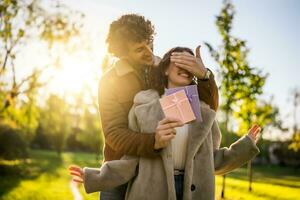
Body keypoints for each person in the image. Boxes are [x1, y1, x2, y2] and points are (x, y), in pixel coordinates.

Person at [69, 47, 261, 200]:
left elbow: (213, 161)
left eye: (190, 63)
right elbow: (130, 162)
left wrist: (245, 145)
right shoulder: (143, 108)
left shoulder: (202, 111)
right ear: (166, 67)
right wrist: (94, 177)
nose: (186, 66)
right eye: (180, 61)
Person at [82, 14, 219, 199]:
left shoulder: (166, 69)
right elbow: (114, 133)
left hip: (157, 173)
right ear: (123, 53)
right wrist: (153, 141)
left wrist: (204, 76)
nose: (149, 51)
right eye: (140, 49)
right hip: (119, 171)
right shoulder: (110, 81)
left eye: (150, 42)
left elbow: (205, 109)